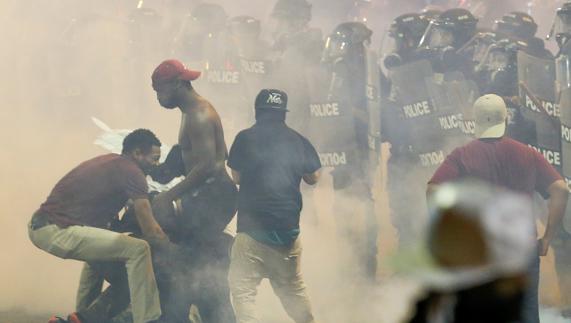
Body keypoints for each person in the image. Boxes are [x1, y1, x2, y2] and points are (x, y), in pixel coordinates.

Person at [427, 94, 569, 323]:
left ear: (476, 121)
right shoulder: (528, 153)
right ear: (505, 119)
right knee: (525, 313)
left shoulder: (462, 155)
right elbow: (561, 190)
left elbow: (433, 191)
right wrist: (547, 238)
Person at [29, 129, 167, 323]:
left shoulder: (112, 163)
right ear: (137, 153)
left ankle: (80, 317)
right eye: (154, 159)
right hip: (56, 230)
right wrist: (172, 250)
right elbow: (150, 228)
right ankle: (147, 319)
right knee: (139, 250)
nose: (156, 165)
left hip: (42, 226)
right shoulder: (133, 173)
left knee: (100, 249)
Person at [151, 59, 237, 323]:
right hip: (207, 196)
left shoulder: (199, 113)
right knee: (199, 266)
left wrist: (169, 195)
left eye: (160, 90)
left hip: (213, 197)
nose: (158, 97)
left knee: (198, 267)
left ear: (178, 84)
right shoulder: (190, 111)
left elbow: (209, 165)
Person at [227, 89, 321, 323]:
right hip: (287, 230)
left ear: (257, 111)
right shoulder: (298, 140)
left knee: (244, 291)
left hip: (252, 230)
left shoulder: (244, 138)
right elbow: (314, 178)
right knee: (292, 288)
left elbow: (236, 178)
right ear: (283, 114)